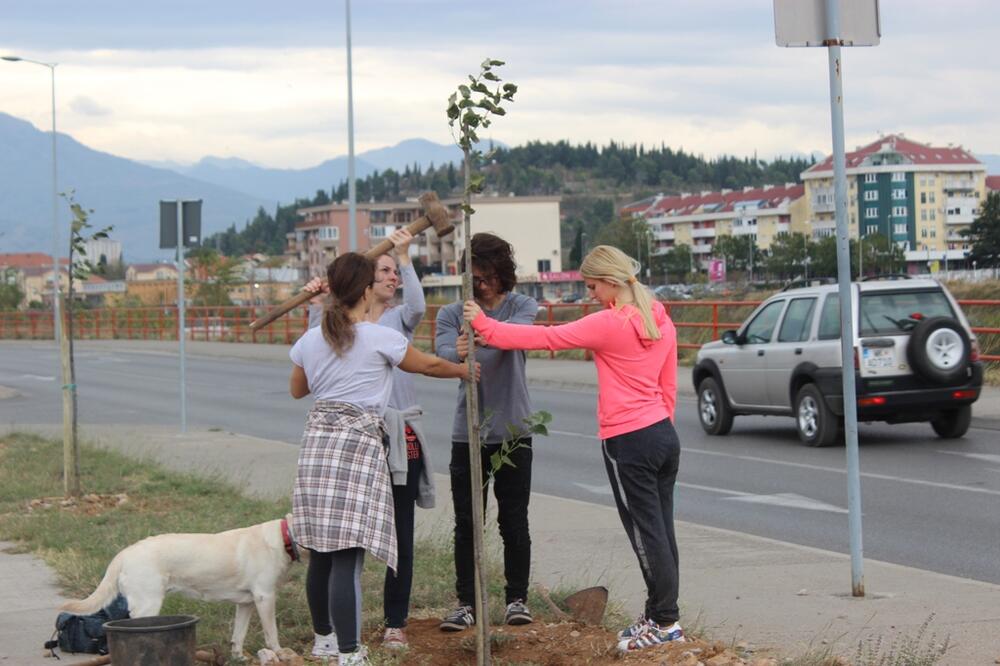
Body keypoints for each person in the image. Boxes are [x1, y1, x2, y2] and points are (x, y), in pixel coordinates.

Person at [462, 245, 684, 654]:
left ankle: (667, 620)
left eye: (593, 285)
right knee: (662, 529)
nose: (591, 294)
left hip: (629, 438)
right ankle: (658, 613)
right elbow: (668, 383)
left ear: (612, 282)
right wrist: (661, 424)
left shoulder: (610, 323)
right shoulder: (659, 318)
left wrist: (487, 327)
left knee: (644, 533)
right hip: (662, 434)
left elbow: (548, 338)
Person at [290, 252, 475, 666]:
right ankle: (350, 653)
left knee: (321, 550)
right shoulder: (380, 338)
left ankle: (323, 640)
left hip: (316, 446)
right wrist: (463, 371)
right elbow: (427, 364)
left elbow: (298, 390)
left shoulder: (311, 339)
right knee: (346, 555)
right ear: (365, 289)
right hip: (356, 447)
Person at [304, 229, 435, 650]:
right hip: (356, 442)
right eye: (383, 270)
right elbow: (311, 362)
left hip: (396, 437)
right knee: (342, 546)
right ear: (364, 285)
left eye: (395, 272)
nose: (391, 277)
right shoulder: (333, 324)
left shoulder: (397, 320)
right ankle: (340, 632)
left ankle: (394, 620)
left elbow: (418, 305)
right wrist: (316, 304)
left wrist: (406, 256)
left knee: (399, 533)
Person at [435, 232, 538, 632]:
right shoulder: (450, 313)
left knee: (514, 519)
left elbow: (517, 335)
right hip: (469, 432)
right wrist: (458, 350)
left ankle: (517, 598)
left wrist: (479, 331)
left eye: (490, 275)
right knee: (467, 521)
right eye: (476, 277)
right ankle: (467, 602)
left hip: (514, 428)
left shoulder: (522, 305)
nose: (484, 283)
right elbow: (443, 353)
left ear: (503, 273)